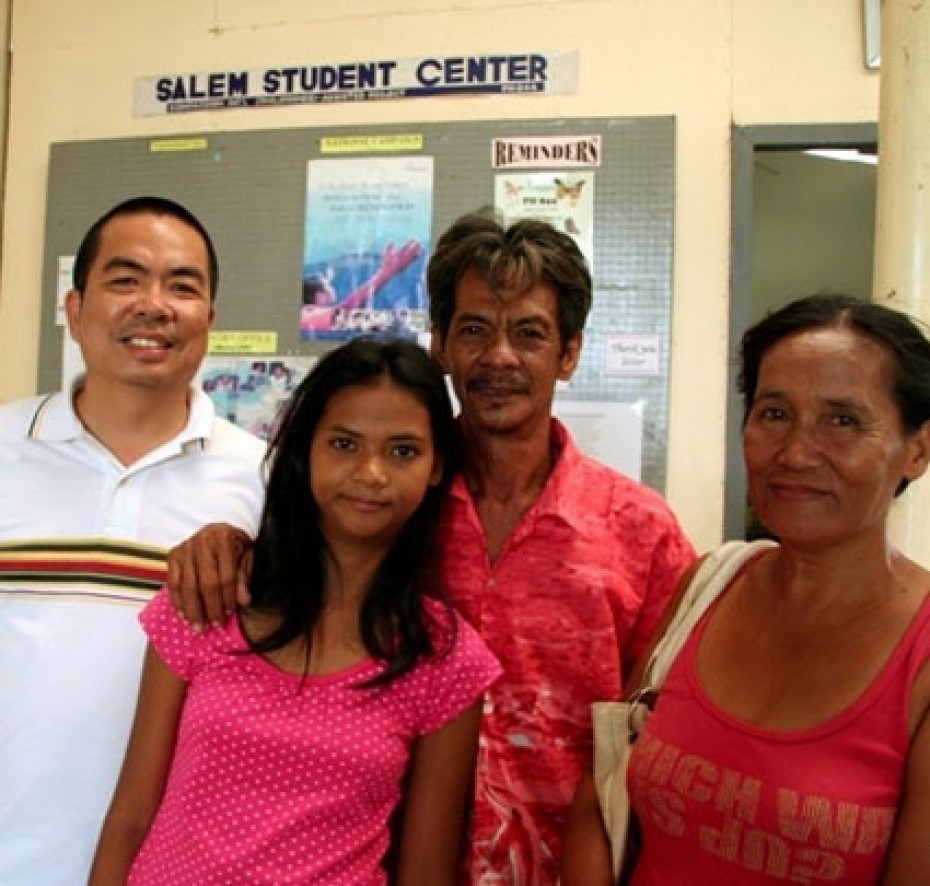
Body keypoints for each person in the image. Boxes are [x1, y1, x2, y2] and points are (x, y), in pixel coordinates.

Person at [170, 209, 695, 883]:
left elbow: (666, 743)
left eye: (529, 334)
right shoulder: (384, 500)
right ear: (441, 343)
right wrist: (227, 540)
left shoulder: (642, 534)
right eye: (474, 329)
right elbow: (291, 560)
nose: (500, 356)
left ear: (569, 352)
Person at [90, 338, 501, 885]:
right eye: (344, 443)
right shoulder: (209, 599)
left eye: (402, 451)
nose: (372, 473)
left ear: (435, 467)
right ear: (305, 448)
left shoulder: (444, 658)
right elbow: (129, 817)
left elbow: (424, 872)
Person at [561, 293, 930, 884]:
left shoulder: (921, 658)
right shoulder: (710, 584)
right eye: (774, 413)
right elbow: (602, 792)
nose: (798, 452)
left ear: (918, 448)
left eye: (843, 420)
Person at [0, 196, 267, 886]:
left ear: (211, 319)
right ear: (75, 306)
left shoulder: (266, 483)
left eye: (183, 286)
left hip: (171, 869)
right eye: (126, 280)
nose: (154, 304)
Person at [300, 239, 422, 335]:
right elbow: (344, 311)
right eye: (328, 287)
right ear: (320, 296)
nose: (332, 290)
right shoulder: (306, 315)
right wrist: (386, 272)